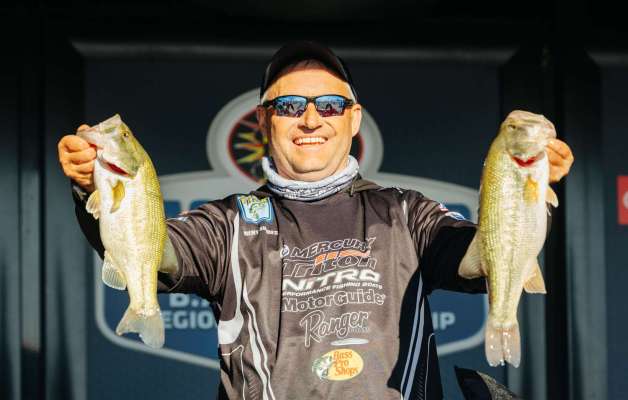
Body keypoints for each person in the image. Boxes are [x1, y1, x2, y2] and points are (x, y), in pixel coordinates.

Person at [57, 41, 574, 400]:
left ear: (353, 118)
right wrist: (94, 188)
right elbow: (154, 252)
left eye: (330, 105)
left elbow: (480, 262)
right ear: (264, 120)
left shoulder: (406, 212)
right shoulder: (227, 223)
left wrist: (523, 192)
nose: (310, 119)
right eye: (288, 105)